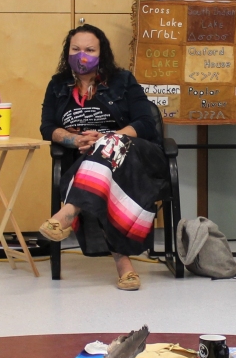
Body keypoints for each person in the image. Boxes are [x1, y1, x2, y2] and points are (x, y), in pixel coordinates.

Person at [37, 25, 168, 291]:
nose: (81, 55)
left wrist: (110, 138)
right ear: (67, 52)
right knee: (100, 176)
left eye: (89, 50)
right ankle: (124, 264)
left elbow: (144, 123)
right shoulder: (57, 85)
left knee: (109, 147)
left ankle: (69, 211)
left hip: (136, 157)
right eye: (75, 49)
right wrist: (76, 140)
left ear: (102, 53)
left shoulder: (123, 80)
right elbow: (47, 127)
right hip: (90, 163)